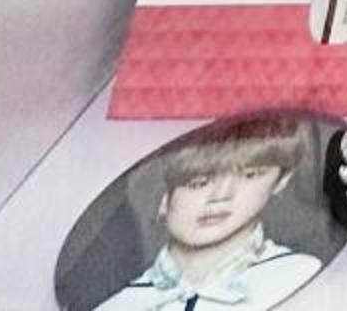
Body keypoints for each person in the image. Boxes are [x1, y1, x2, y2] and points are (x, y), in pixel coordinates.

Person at [93, 113, 322, 309]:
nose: (221, 195)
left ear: (281, 180)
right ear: (162, 196)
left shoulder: (303, 278)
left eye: (250, 174)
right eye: (198, 182)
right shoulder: (120, 305)